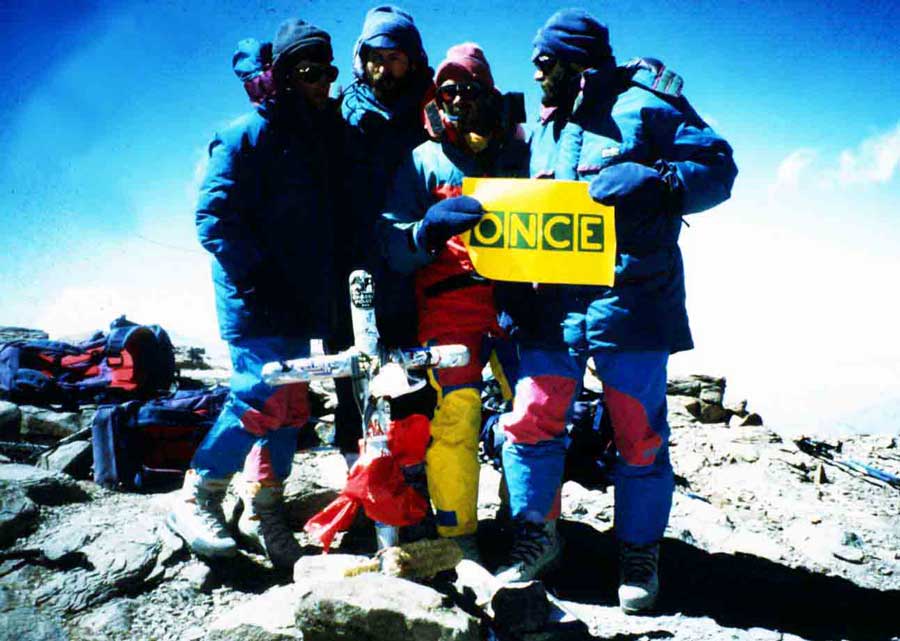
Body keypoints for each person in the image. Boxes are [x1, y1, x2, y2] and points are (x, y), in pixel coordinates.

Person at [493, 9, 737, 614]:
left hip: (631, 305)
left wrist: (660, 179)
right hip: (553, 309)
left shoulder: (647, 105)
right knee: (531, 423)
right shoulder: (546, 126)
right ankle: (537, 538)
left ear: (576, 62)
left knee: (638, 434)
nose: (535, 72)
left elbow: (719, 169)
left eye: (544, 61)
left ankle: (638, 553)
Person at [167, 18, 347, 570]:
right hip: (252, 299)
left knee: (291, 406)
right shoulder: (243, 134)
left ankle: (265, 508)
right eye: (310, 72)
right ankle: (197, 495)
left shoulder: (314, 137)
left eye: (328, 72)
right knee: (256, 394)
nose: (322, 83)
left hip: (294, 301)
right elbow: (212, 219)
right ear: (286, 76)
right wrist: (256, 277)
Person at [378, 43, 528, 559]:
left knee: (529, 413)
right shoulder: (422, 160)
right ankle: (457, 537)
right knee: (456, 416)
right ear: (436, 98)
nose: (458, 99)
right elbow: (392, 242)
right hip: (447, 307)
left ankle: (526, 524)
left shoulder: (521, 152)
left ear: (489, 92)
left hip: (515, 303)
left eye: (469, 88)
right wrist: (424, 231)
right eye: (447, 90)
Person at [333, 5, 435, 469]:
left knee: (414, 376)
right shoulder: (341, 110)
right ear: (362, 58)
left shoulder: (432, 109)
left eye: (395, 58)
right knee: (352, 378)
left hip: (413, 263)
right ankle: (358, 480)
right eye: (375, 57)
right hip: (351, 264)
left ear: (412, 60)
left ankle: (412, 481)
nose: (384, 68)